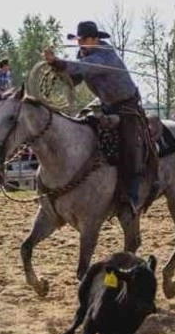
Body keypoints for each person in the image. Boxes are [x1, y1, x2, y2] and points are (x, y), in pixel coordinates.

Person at [42, 21, 155, 213]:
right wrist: (56, 70)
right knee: (79, 122)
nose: (80, 43)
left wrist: (58, 62)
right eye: (79, 40)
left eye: (84, 39)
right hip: (104, 102)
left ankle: (132, 194)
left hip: (126, 105)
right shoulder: (84, 54)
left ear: (95, 39)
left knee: (130, 146)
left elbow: (84, 67)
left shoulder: (106, 56)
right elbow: (75, 77)